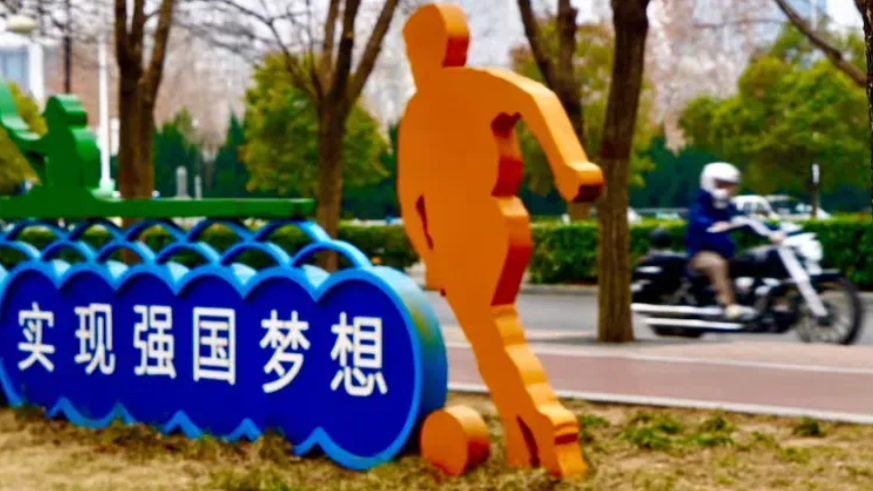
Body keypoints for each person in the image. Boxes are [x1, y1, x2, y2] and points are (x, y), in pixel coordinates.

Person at [398, 4, 603, 477]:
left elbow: (411, 203)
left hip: (466, 236)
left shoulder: (426, 107)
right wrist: (568, 164)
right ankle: (520, 441)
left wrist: (432, 257)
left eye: (415, 51)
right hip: (492, 225)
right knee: (492, 339)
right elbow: (534, 99)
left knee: (493, 341)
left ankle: (545, 422)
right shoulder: (459, 93)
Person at [686, 163, 781, 319]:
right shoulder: (700, 206)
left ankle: (754, 301)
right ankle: (729, 305)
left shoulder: (727, 207)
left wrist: (775, 229)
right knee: (716, 264)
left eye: (731, 185)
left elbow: (746, 219)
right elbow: (700, 223)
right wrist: (716, 225)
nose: (729, 189)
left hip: (726, 253)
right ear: (710, 183)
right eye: (723, 184)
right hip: (701, 254)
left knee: (751, 260)